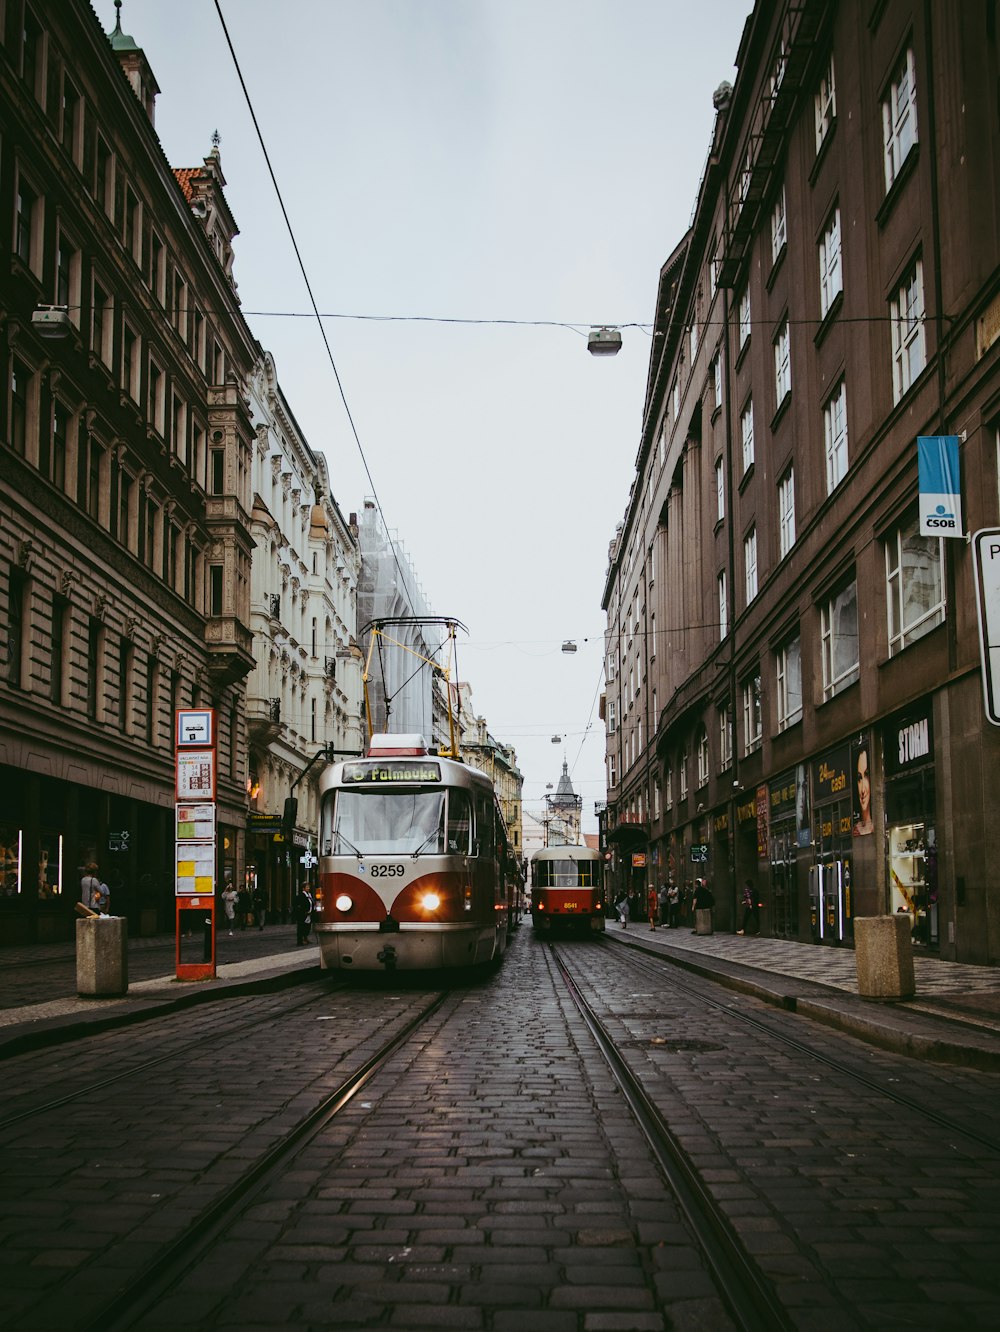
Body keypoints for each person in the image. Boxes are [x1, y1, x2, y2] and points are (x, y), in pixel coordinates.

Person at [853, 741, 874, 835]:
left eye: (866, 775)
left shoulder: (877, 826)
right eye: (859, 778)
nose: (862, 790)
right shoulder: (855, 831)